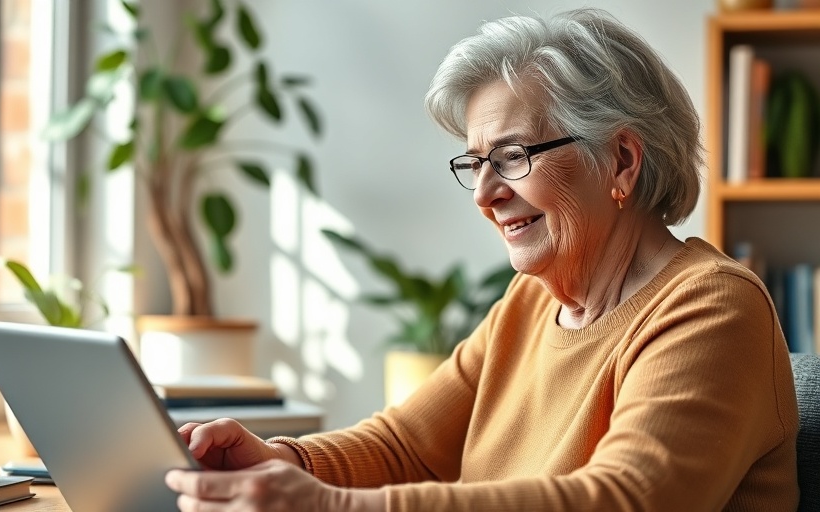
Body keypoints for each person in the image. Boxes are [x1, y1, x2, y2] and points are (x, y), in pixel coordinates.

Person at [165, 8, 799, 511]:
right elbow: (403, 447)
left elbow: (626, 499)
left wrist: (327, 507)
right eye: (474, 164)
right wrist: (284, 463)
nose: (487, 194)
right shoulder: (531, 305)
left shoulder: (712, 308)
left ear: (622, 162)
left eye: (514, 156)